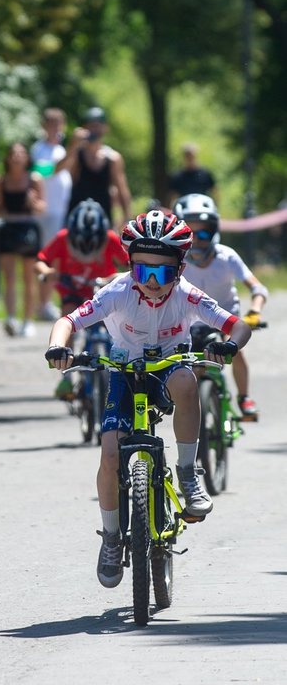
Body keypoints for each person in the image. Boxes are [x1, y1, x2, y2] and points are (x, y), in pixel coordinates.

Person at [44, 209, 252, 588]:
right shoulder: (118, 292)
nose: (153, 282)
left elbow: (237, 324)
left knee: (187, 383)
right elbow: (69, 321)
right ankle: (110, 537)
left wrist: (230, 344)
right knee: (109, 452)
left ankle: (189, 474)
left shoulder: (188, 294)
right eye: (143, 272)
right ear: (129, 267)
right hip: (123, 371)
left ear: (180, 268)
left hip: (168, 365)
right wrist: (59, 347)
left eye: (163, 273)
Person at [173, 193, 266, 420]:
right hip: (193, 320)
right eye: (191, 234)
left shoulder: (227, 256)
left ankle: (244, 397)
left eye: (203, 232)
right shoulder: (177, 260)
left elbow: (258, 288)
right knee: (191, 364)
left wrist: (254, 311)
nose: (198, 240)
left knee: (236, 349)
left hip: (225, 316)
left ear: (214, 230)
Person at [34, 198, 128, 397]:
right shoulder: (62, 238)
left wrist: (120, 276)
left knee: (114, 325)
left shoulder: (110, 238)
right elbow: (41, 261)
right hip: (73, 291)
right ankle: (66, 375)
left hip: (101, 292)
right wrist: (48, 272)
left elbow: (131, 264)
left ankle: (119, 365)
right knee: (68, 319)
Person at [0, 142, 46, 337]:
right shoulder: (1, 180)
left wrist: (33, 202)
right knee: (8, 277)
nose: (17, 157)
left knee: (28, 278)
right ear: (8, 158)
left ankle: (28, 320)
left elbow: (42, 207)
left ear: (27, 158)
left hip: (28, 227)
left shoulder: (34, 179)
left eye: (21, 154)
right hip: (8, 227)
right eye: (13, 154)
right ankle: (10, 317)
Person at [57, 106, 132, 227]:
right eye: (91, 125)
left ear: (105, 128)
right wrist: (72, 145)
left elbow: (122, 190)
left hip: (103, 219)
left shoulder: (113, 158)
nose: (94, 129)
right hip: (76, 219)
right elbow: (57, 170)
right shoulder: (76, 154)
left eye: (98, 125)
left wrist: (127, 218)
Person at [31, 108, 73, 320]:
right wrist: (72, 150)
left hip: (61, 210)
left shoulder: (60, 150)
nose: (55, 127)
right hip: (47, 212)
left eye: (59, 123)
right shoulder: (39, 149)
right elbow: (47, 172)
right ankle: (43, 303)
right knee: (48, 258)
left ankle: (49, 301)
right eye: (51, 123)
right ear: (44, 126)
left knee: (58, 259)